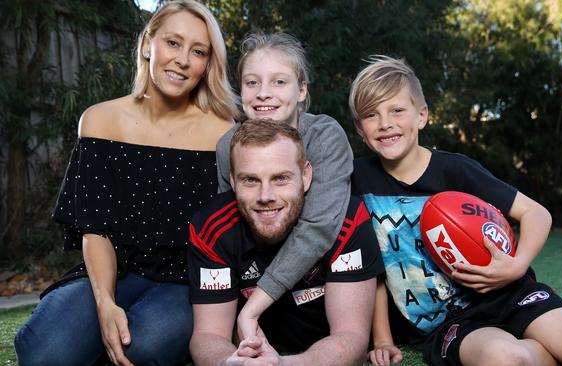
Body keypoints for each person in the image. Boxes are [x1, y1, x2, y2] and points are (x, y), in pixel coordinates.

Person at [348, 55, 562, 366]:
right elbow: (374, 270)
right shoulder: (357, 178)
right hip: (450, 322)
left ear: (422, 115)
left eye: (397, 110)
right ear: (359, 128)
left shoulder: (456, 171)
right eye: (371, 115)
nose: (385, 123)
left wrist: (517, 266)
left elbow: (537, 214)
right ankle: (553, 345)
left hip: (509, 293)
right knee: (505, 359)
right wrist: (382, 339)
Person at [14, 1, 238, 365]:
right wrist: (104, 303)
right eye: (173, 42)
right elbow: (94, 229)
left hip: (182, 282)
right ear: (148, 44)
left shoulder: (222, 133)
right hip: (110, 271)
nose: (182, 59)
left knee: (141, 349)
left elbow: (227, 235)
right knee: (46, 353)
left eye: (198, 51)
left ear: (207, 65)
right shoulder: (101, 120)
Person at [188, 119, 384, 365]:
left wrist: (284, 364)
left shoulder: (347, 219)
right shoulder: (212, 226)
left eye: (280, 178)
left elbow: (351, 336)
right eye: (250, 180)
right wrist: (229, 362)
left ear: (306, 175)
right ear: (233, 181)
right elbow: (208, 335)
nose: (266, 197)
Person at [214, 32, 354, 339]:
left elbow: (318, 226)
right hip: (254, 280)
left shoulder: (324, 136)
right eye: (252, 82)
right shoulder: (228, 146)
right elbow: (232, 230)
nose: (264, 93)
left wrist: (252, 310)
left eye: (279, 82)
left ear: (301, 89)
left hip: (319, 287)